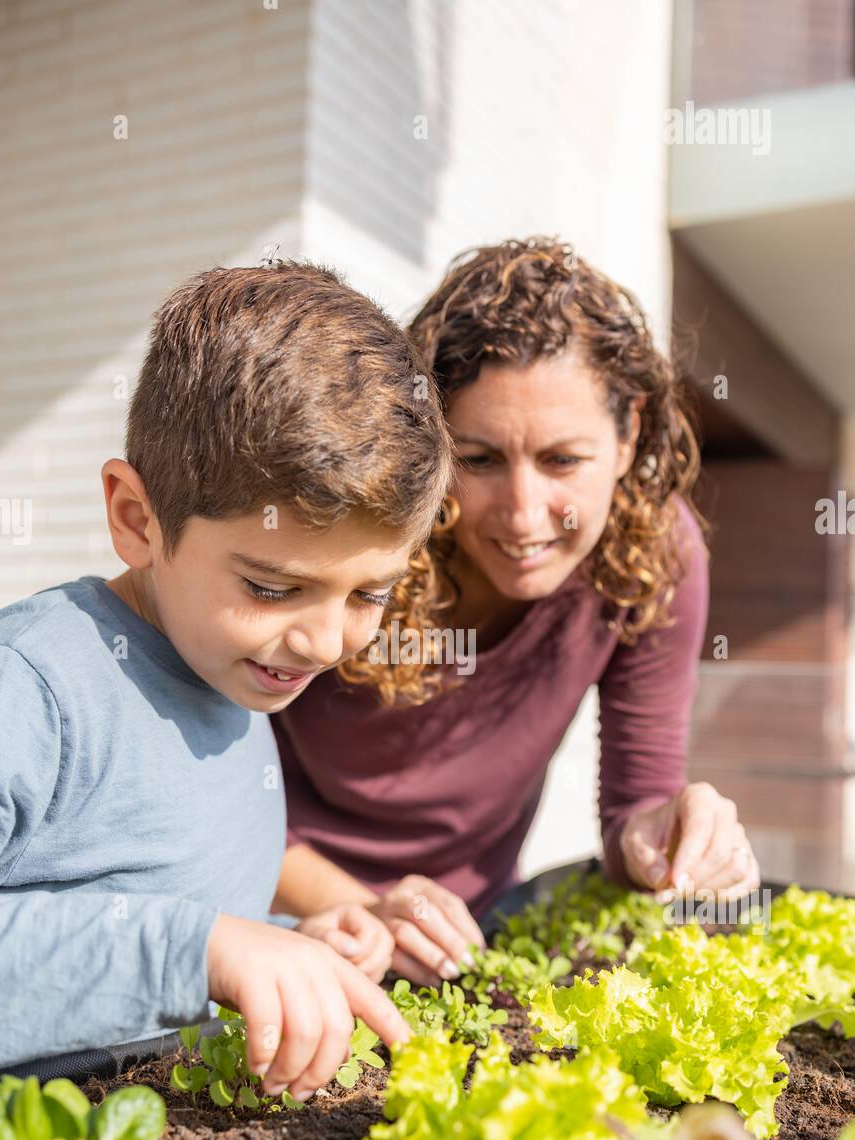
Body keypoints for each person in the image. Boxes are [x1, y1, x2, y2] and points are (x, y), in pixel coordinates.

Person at [0, 259, 462, 1091]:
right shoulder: (31, 687)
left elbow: (178, 902)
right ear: (137, 519)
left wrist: (291, 937)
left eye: (368, 594)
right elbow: (171, 945)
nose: (322, 641)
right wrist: (199, 951)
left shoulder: (237, 674)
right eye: (273, 587)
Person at [272, 238, 761, 983]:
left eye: (563, 460)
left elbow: (635, 805)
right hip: (283, 912)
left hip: (473, 931)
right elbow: (207, 790)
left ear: (628, 433)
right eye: (479, 460)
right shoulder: (365, 537)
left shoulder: (657, 555)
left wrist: (662, 836)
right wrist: (362, 910)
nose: (526, 516)